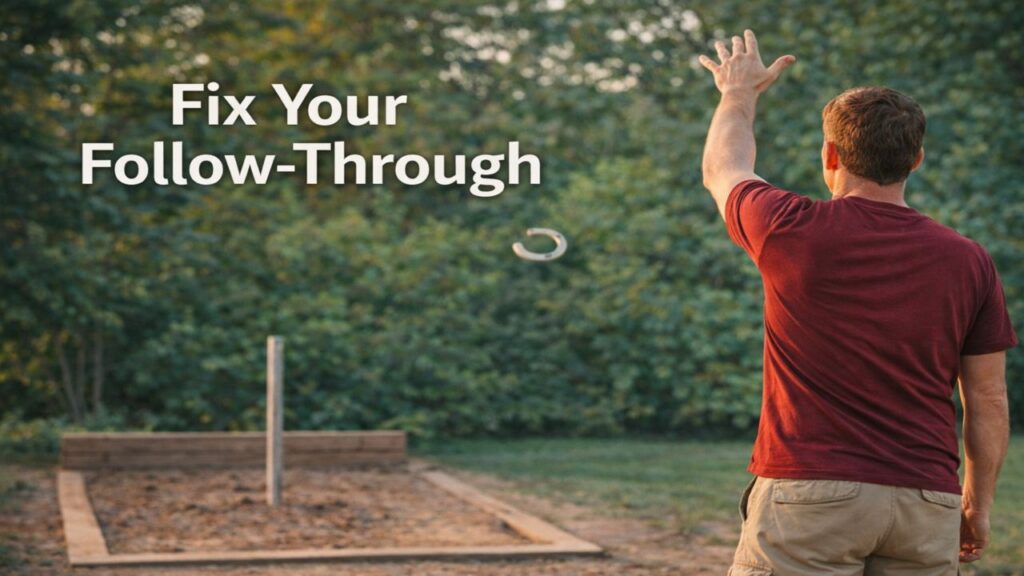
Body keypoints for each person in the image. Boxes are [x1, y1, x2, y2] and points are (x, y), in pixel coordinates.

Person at [698, 30, 1017, 575]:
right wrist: (975, 507)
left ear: (831, 154)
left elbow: (724, 167)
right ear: (915, 159)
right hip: (926, 504)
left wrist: (738, 93)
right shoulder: (970, 260)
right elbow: (986, 400)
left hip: (809, 496)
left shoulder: (787, 228)